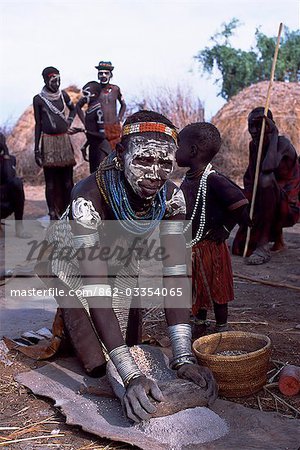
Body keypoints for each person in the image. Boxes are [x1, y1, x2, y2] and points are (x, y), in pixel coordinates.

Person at [41, 110, 217, 422]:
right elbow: (94, 287)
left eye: (165, 164)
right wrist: (131, 377)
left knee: (130, 346)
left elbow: (175, 275)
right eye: (144, 161)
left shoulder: (172, 199)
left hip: (120, 262)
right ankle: (69, 315)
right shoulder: (88, 196)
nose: (154, 173)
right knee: (99, 363)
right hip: (73, 264)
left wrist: (183, 356)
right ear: (121, 154)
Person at [176, 122, 249, 336]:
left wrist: (225, 228)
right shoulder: (189, 178)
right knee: (198, 290)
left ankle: (221, 329)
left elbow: (240, 203)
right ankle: (200, 324)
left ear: (192, 151)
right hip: (195, 246)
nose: (174, 151)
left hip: (210, 247)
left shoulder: (213, 179)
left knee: (217, 290)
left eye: (177, 146)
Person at [232, 107, 300, 264]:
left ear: (270, 126)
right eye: (251, 126)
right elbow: (250, 177)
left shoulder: (283, 143)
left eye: (259, 126)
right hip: (264, 199)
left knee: (266, 179)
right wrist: (245, 202)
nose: (254, 131)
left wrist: (274, 134)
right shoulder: (253, 145)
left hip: (289, 206)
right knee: (239, 248)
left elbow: (268, 168)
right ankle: (278, 240)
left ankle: (263, 246)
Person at [33, 66, 76, 220]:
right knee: (50, 182)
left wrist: (69, 122)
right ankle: (52, 213)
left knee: (67, 181)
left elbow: (73, 109)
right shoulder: (38, 99)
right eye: (53, 80)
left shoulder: (63, 95)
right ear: (45, 80)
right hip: (48, 143)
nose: (56, 83)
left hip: (64, 141)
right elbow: (38, 124)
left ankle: (69, 210)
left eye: (58, 80)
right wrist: (36, 150)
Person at [76, 61, 126, 149]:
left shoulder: (116, 89)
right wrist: (86, 124)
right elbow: (78, 106)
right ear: (98, 76)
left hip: (114, 128)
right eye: (101, 73)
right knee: (100, 155)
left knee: (116, 156)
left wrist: (120, 119)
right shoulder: (93, 90)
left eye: (106, 73)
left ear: (111, 75)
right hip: (98, 129)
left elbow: (123, 105)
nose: (103, 75)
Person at [69, 81, 111, 173]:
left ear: (94, 95)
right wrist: (85, 145)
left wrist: (83, 130)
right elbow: (91, 131)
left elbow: (101, 136)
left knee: (100, 178)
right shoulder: (90, 110)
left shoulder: (99, 111)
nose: (84, 97)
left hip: (101, 149)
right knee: (94, 177)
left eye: (86, 94)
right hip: (94, 147)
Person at [0, 133, 31, 238]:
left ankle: (19, 228)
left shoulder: (10, 159)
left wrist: (6, 153)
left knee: (17, 182)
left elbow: (9, 177)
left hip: (5, 203)